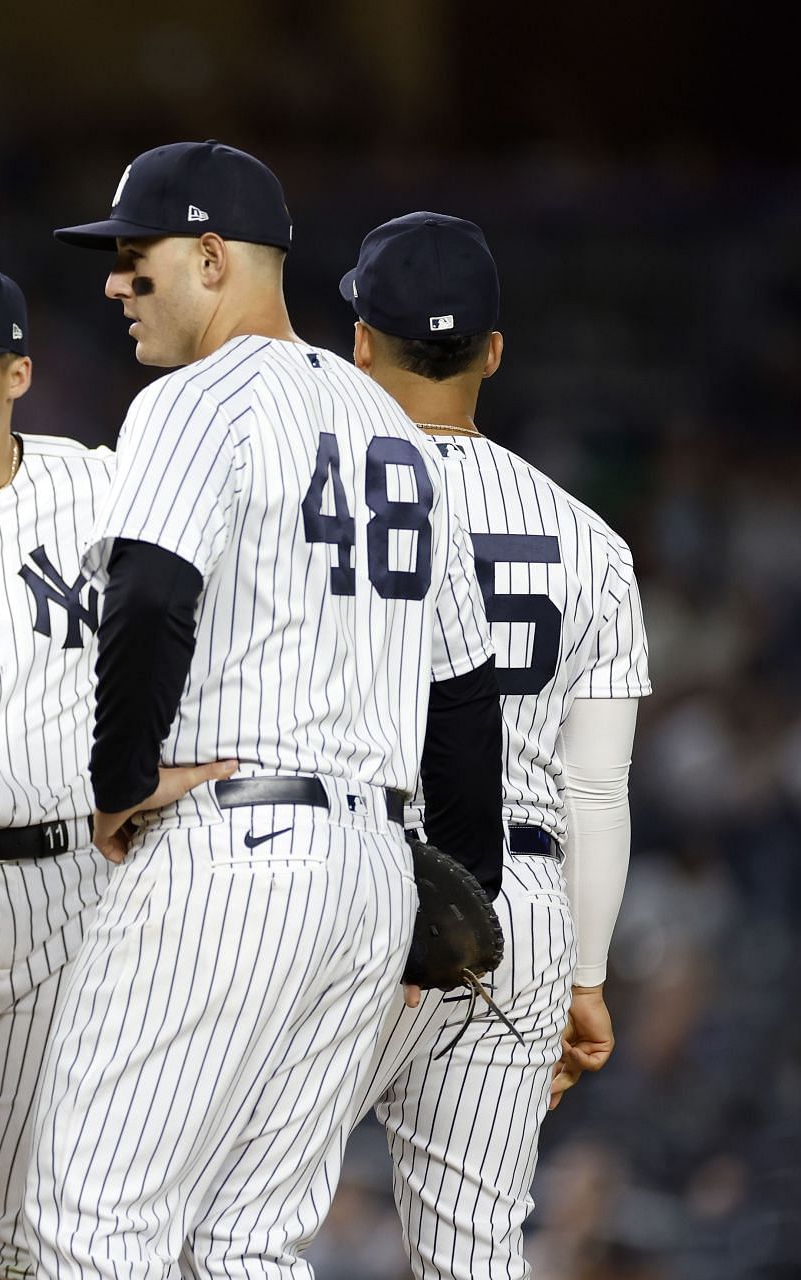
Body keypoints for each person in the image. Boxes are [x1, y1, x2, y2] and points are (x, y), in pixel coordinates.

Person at [25, 142, 505, 1279]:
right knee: (253, 1242)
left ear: (208, 254)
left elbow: (149, 588)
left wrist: (120, 780)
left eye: (135, 260)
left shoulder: (196, 397)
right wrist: (459, 896)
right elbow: (466, 693)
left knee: (89, 1219)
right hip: (372, 878)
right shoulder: (395, 428)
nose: (114, 284)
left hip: (238, 849)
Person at [0, 258, 228, 1279]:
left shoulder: (99, 487)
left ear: (18, 374)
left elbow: (214, 614)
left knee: (44, 1222)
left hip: (66, 890)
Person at [338, 212, 650, 1279]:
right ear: (494, 350)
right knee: (474, 1250)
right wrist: (587, 973)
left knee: (240, 1214)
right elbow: (596, 783)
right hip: (519, 905)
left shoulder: (339, 510)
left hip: (361, 872)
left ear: (360, 342)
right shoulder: (591, 539)